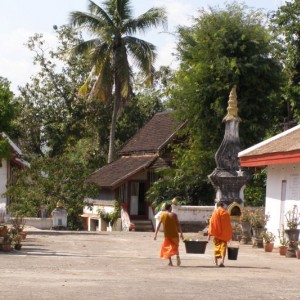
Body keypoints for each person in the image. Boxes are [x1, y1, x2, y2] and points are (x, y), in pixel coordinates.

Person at [208, 202, 232, 267]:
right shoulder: (226, 213)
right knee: (223, 247)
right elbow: (228, 225)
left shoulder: (214, 213)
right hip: (224, 235)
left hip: (216, 234)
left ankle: (216, 262)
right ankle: (222, 261)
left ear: (217, 206)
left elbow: (211, 224)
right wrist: (229, 235)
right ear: (222, 206)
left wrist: (209, 235)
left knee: (216, 247)